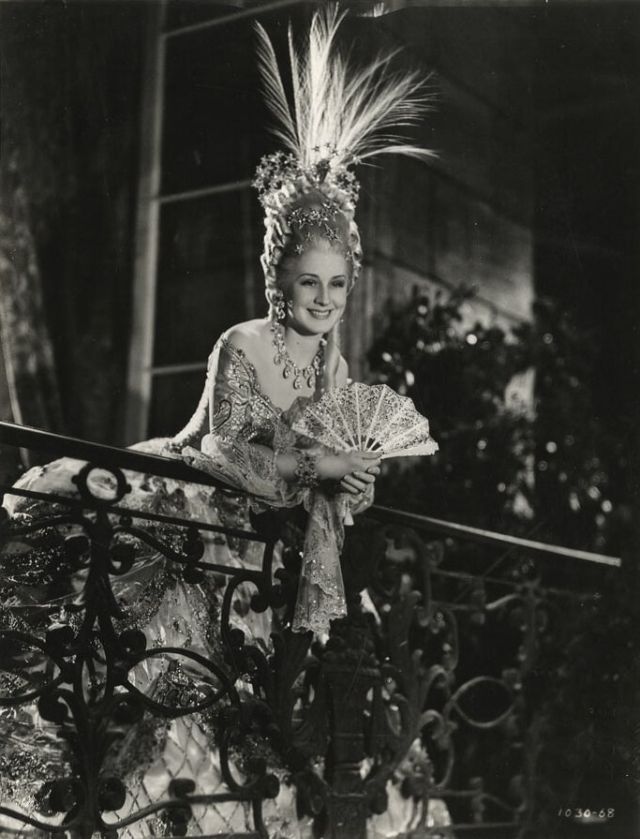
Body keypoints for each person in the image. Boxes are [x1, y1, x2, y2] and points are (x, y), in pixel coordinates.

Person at [0, 6, 444, 837]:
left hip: (282, 542)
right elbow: (228, 451)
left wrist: (351, 480)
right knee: (163, 682)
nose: (324, 300)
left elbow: (329, 459)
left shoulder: (336, 367)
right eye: (309, 283)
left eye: (337, 285)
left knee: (323, 710)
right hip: (204, 507)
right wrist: (316, 467)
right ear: (280, 280)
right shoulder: (241, 343)